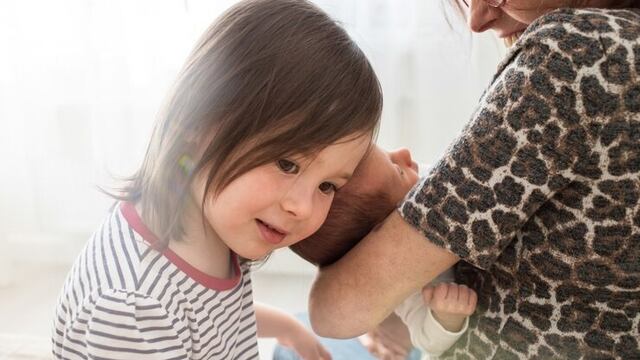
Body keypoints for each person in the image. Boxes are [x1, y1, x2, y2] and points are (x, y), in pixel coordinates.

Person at [308, 1, 640, 359]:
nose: (477, 21)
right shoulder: (618, 42)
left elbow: (334, 311)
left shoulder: (575, 52)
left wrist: (383, 292)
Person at [51, 0, 383, 359]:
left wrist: (289, 328)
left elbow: (210, 315)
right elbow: (173, 311)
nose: (302, 207)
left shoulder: (216, 222)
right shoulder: (132, 309)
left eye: (327, 186)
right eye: (287, 164)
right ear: (196, 127)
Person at [285, 145, 478, 360]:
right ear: (387, 229)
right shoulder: (410, 280)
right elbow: (428, 341)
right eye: (399, 171)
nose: (404, 152)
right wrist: (446, 318)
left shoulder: (428, 183)